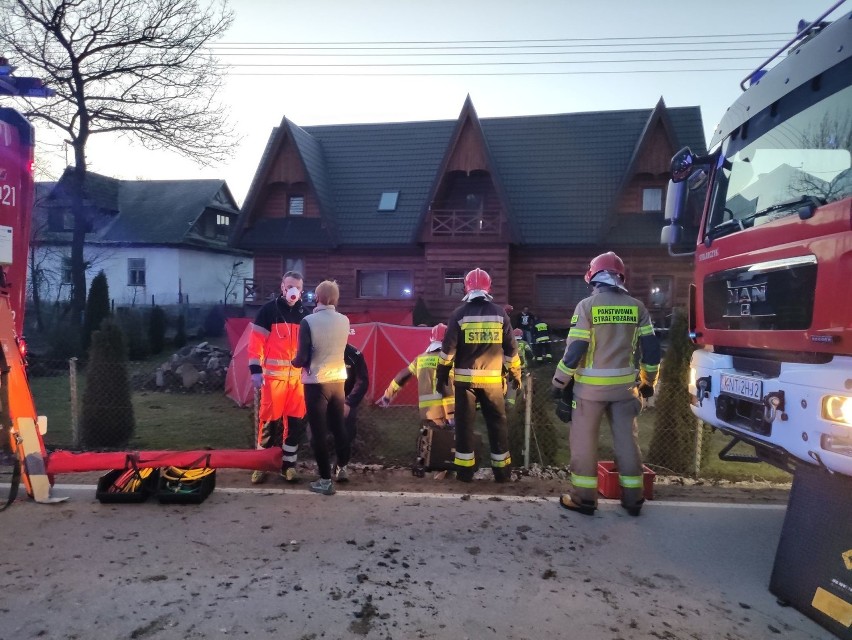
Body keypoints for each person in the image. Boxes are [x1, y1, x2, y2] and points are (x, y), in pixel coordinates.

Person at [551, 251, 660, 517]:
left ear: (593, 277)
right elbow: (652, 350)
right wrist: (648, 381)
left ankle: (584, 499)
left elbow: (575, 350)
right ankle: (633, 499)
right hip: (625, 390)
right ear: (621, 277)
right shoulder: (638, 307)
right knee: (627, 442)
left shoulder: (587, 307)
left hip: (589, 392)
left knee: (584, 444)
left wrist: (558, 382)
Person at [436, 268, 522, 483]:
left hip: (465, 383)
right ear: (488, 288)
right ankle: (502, 473)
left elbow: (447, 351)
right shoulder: (500, 314)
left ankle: (465, 473)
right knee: (498, 425)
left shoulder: (459, 314)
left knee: (464, 427)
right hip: (493, 383)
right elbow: (512, 350)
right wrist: (515, 374)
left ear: (466, 288)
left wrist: (441, 374)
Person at [247, 271, 309, 484]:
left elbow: (309, 347)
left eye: (297, 287)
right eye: (289, 285)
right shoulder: (268, 311)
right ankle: (262, 465)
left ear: (301, 291)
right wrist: (255, 370)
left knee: (295, 425)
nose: (293, 290)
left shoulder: (305, 314)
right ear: (282, 286)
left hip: (298, 383)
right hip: (273, 381)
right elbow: (255, 344)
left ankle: (288, 466)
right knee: (268, 425)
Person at [292, 280, 351, 496]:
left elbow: (302, 357)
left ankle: (325, 480)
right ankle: (342, 467)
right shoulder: (345, 320)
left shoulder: (308, 321)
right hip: (338, 381)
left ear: (317, 298)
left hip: (316, 383)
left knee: (318, 433)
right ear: (335, 299)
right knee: (338, 427)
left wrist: (293, 362)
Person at [377, 323, 455, 428]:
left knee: (431, 441)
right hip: (449, 413)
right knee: (451, 442)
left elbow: (402, 376)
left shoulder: (420, 359)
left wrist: (388, 395)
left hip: (427, 413)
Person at [343, 342, 370, 447]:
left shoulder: (354, 354)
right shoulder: (321, 351)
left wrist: (349, 403)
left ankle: (341, 462)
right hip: (325, 400)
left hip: (347, 400)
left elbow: (362, 381)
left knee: (347, 436)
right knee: (315, 436)